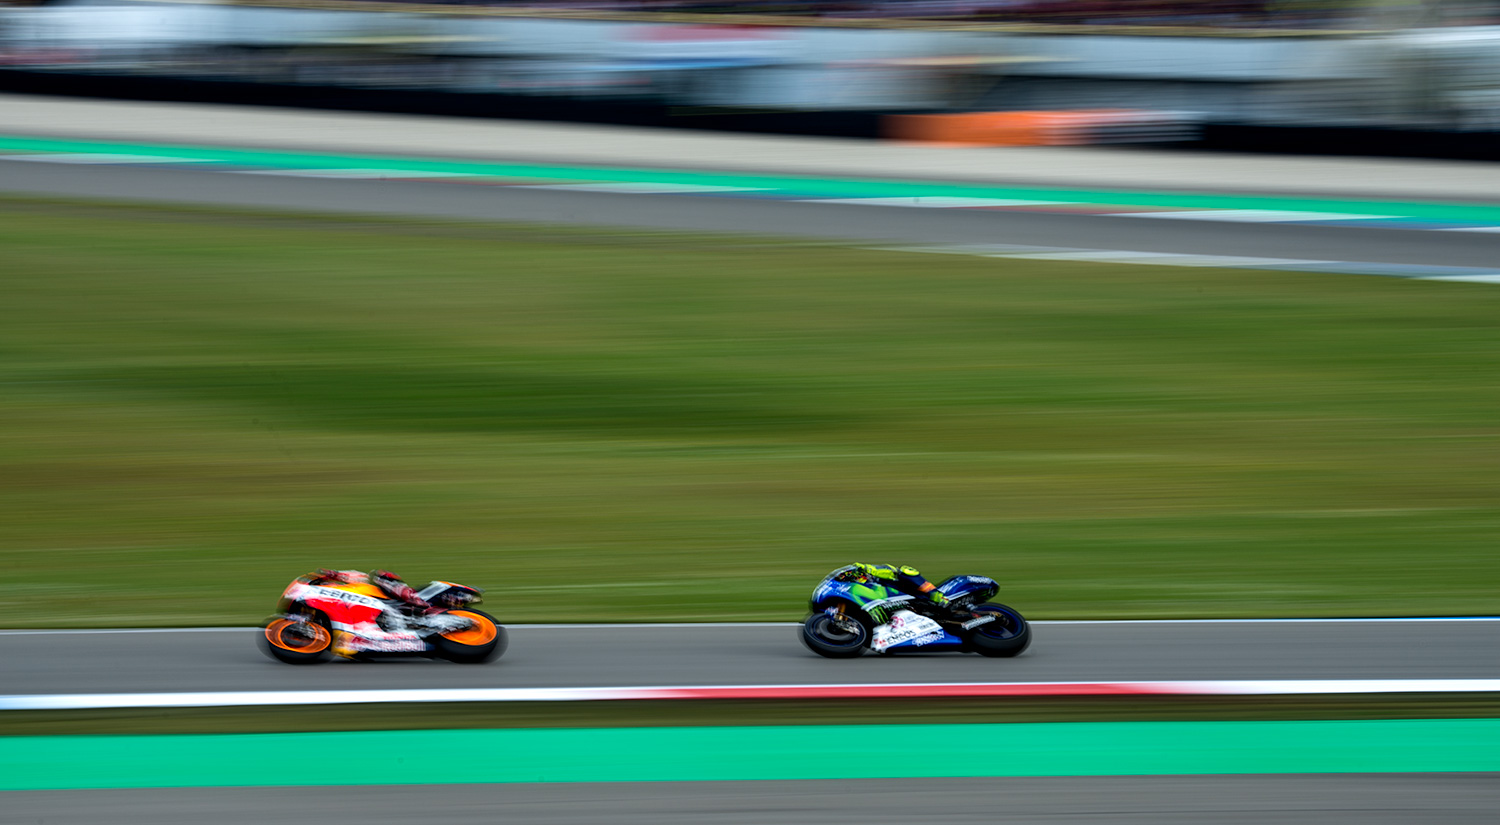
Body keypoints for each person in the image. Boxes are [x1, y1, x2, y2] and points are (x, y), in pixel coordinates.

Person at [826, 563, 958, 623]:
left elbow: (888, 570)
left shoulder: (873, 575)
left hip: (909, 594)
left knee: (906, 571)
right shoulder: (861, 593)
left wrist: (864, 569)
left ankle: (938, 596)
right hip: (901, 608)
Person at [311, 568, 435, 614]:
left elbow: (359, 576)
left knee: (380, 575)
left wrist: (334, 574)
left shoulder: (345, 585)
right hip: (371, 607)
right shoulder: (329, 595)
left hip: (382, 599)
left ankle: (418, 602)